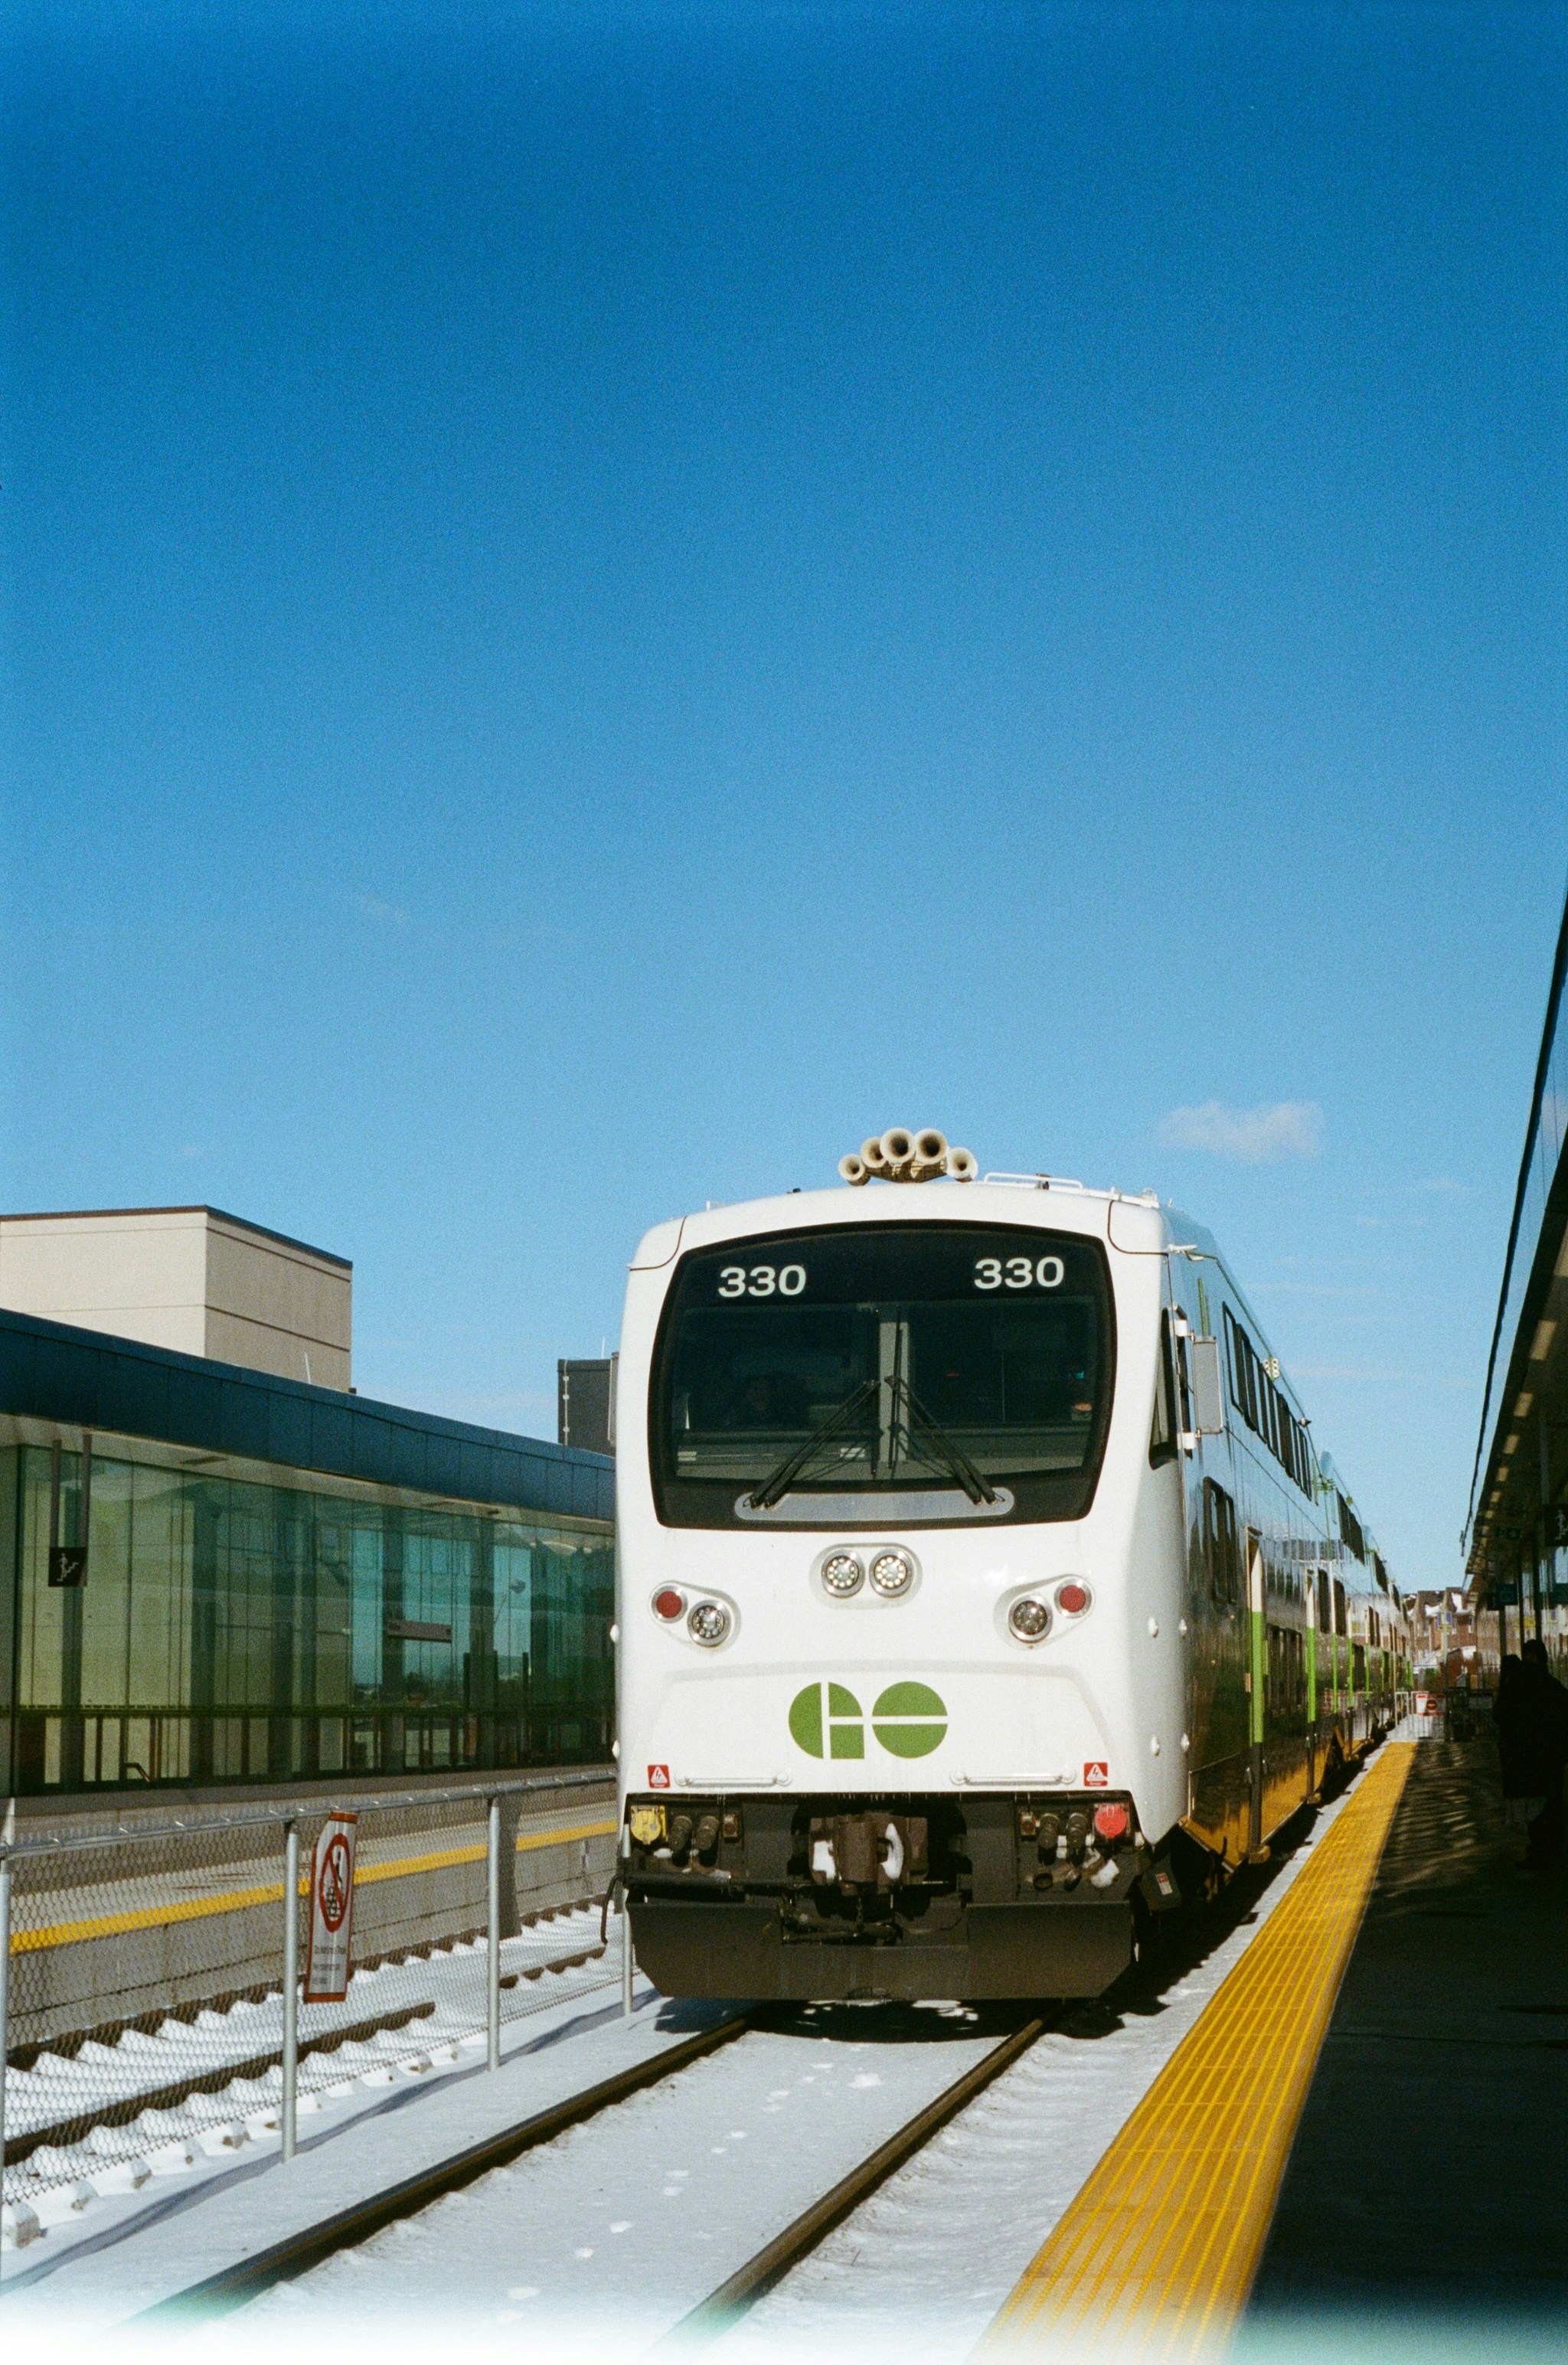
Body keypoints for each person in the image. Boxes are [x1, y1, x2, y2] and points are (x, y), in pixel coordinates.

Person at [1496, 1642, 1568, 1867]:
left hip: (1526, 1761)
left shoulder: (1517, 1688)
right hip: (1552, 1759)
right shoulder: (1555, 1688)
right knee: (1551, 1805)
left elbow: (1500, 1715)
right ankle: (1552, 1849)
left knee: (1533, 1810)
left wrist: (1505, 1684)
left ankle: (1540, 1851)